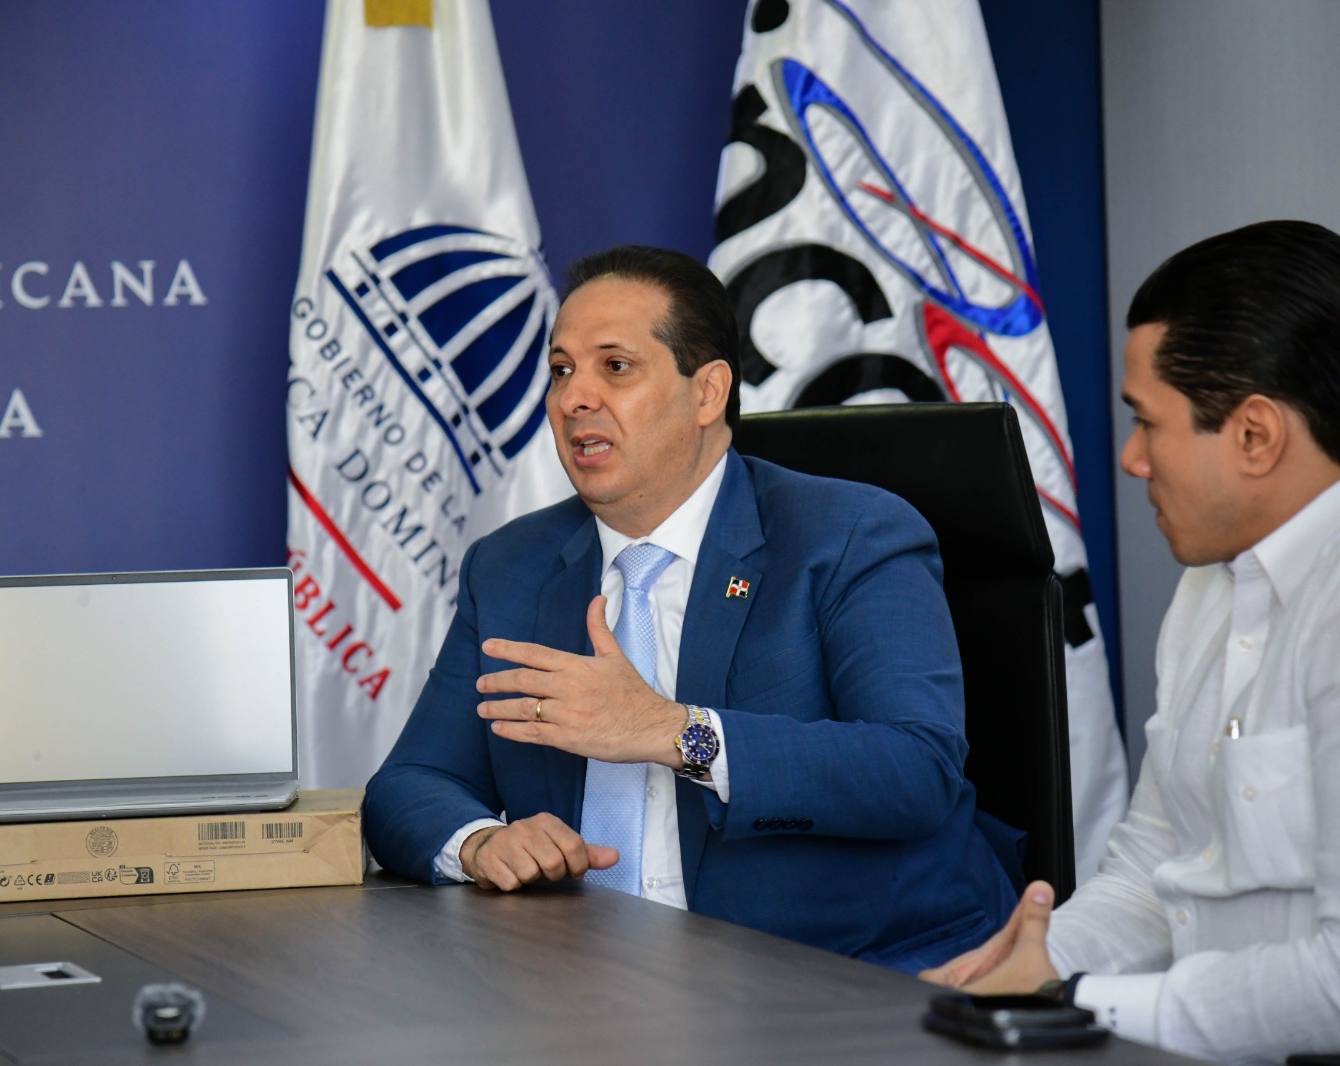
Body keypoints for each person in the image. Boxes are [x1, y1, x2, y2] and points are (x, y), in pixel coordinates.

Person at [365, 245, 1016, 972]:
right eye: (561, 370)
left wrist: (673, 732)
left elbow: (916, 769)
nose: (574, 398)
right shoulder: (511, 566)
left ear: (708, 393)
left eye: (615, 366)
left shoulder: (848, 537)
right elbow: (409, 786)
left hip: (844, 974)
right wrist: (482, 842)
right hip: (586, 983)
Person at [922, 220, 1340, 1062]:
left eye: (1149, 423)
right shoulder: (1209, 588)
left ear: (1256, 435)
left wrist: (1076, 1004)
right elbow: (1155, 870)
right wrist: (1026, 969)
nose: (1131, 458)